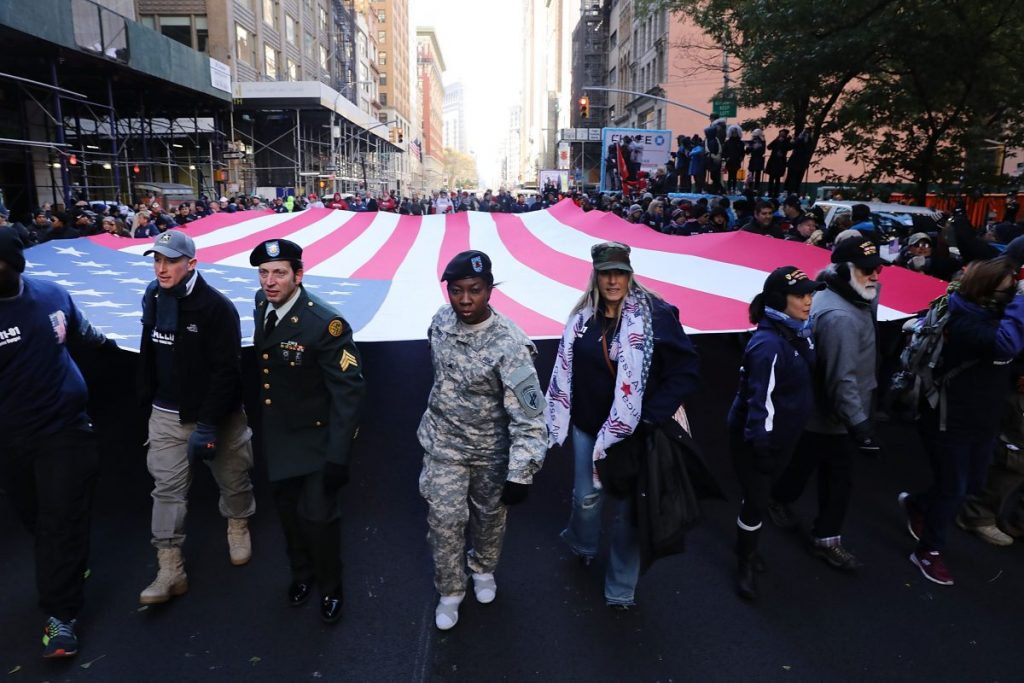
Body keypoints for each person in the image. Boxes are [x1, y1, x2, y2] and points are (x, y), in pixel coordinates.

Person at [546, 242, 700, 609]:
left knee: (632, 514)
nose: (613, 280)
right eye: (605, 272)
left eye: (620, 272)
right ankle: (582, 544)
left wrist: (650, 416)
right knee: (586, 499)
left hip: (638, 434)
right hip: (587, 426)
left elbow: (685, 371)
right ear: (595, 275)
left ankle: (620, 590)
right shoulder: (582, 317)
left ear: (630, 274)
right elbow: (567, 369)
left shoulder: (657, 316)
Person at [417, 250, 547, 631]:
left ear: (489, 290)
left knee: (490, 521)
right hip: (444, 446)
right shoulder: (440, 323)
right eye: (456, 291)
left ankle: (483, 569)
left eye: (474, 290)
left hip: (492, 453)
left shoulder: (511, 345)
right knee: (444, 520)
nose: (465, 300)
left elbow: (530, 416)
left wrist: (521, 473)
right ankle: (451, 590)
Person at [0, 228, 113, 658]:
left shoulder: (52, 296)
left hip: (66, 429)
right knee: (35, 517)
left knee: (60, 521)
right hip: (11, 439)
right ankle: (64, 565)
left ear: (15, 266)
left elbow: (88, 336)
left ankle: (60, 618)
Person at [136, 231, 256, 605]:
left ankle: (237, 524)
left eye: (170, 261)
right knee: (166, 492)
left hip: (218, 416)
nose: (161, 268)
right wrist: (146, 397)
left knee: (234, 479)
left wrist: (207, 425)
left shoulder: (216, 308)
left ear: (192, 264)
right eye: (157, 260)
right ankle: (170, 567)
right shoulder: (153, 296)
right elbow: (149, 350)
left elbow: (227, 372)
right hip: (167, 414)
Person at [250, 238, 366, 623]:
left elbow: (348, 393)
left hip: (317, 441)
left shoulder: (325, 324)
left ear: (298, 276)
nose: (270, 281)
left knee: (318, 518)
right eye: (265, 273)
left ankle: (331, 587)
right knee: (288, 516)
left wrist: (339, 457)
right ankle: (301, 575)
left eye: (279, 273)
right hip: (281, 437)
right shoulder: (261, 304)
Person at [898, 258, 1024, 585]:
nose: (1011, 295)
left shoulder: (997, 315)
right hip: (948, 418)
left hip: (983, 419)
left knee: (971, 484)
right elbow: (1006, 344)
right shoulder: (964, 320)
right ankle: (928, 551)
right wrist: (1022, 302)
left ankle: (917, 503)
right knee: (953, 488)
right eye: (1007, 290)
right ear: (985, 291)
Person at [769, 237, 886, 570]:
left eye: (876, 268)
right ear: (846, 270)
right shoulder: (840, 317)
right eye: (867, 271)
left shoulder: (834, 294)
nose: (875, 276)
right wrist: (860, 425)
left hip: (820, 410)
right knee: (839, 477)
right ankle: (826, 539)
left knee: (806, 459)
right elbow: (841, 378)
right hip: (836, 413)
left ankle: (778, 498)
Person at [727, 266, 823, 600]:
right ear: (779, 301)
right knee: (755, 501)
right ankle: (745, 561)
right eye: (801, 294)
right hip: (758, 438)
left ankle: (747, 536)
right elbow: (759, 404)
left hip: (783, 435)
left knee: (758, 495)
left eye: (811, 293)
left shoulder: (798, 331)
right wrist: (762, 447)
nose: (809, 300)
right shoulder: (768, 345)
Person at [765, 129, 791, 198]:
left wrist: (786, 141)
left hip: (780, 162)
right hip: (773, 161)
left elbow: (789, 147)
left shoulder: (787, 141)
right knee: (771, 178)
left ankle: (776, 193)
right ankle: (770, 192)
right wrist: (776, 140)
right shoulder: (776, 141)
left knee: (777, 179)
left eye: (783, 133)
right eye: (780, 133)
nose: (781, 134)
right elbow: (769, 147)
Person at [723, 124, 746, 194]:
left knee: (735, 175)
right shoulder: (727, 142)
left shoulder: (741, 143)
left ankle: (733, 188)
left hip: (736, 161)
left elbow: (743, 152)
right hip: (729, 161)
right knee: (730, 175)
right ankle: (729, 189)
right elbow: (724, 151)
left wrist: (741, 158)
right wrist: (726, 157)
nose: (734, 134)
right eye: (733, 132)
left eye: (735, 132)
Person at [746, 129, 766, 194]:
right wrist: (749, 147)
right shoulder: (752, 141)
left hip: (759, 159)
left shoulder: (762, 141)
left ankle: (756, 189)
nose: (755, 137)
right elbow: (747, 152)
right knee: (750, 174)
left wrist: (757, 147)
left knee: (758, 175)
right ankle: (749, 187)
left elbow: (763, 151)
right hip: (753, 159)